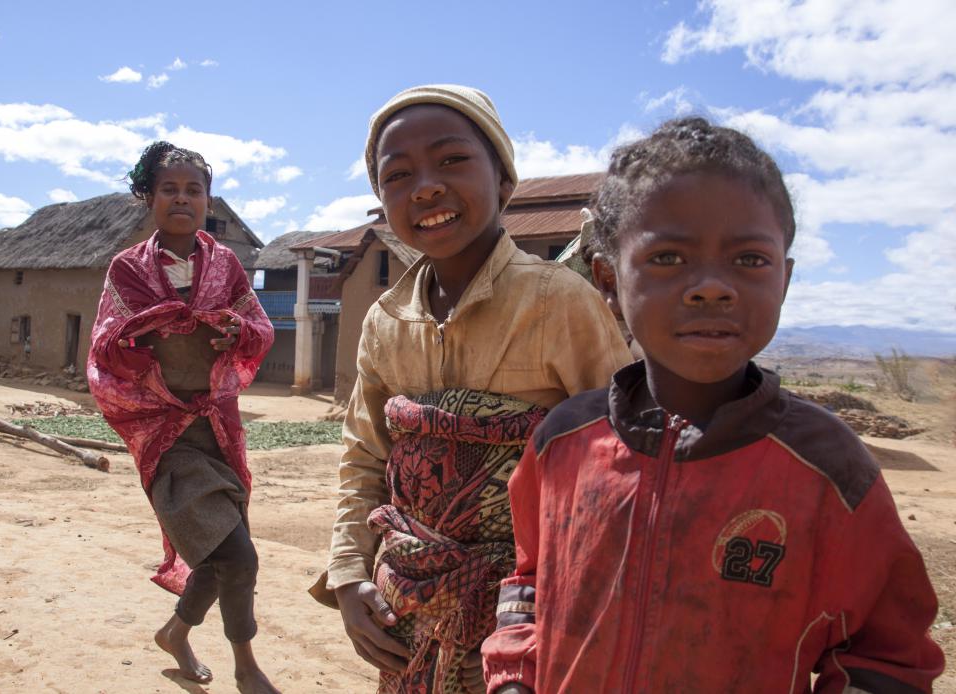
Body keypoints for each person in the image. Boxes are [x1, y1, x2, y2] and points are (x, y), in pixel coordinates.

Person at [481, 117, 945, 693]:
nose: (711, 287)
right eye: (668, 258)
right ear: (607, 280)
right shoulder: (562, 441)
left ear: (785, 280)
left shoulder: (829, 468)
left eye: (749, 260)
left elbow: (888, 658)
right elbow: (531, 582)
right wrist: (514, 681)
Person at [308, 85, 634, 693]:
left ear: (504, 181)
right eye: (398, 175)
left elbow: (619, 462)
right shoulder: (383, 321)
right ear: (381, 199)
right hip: (408, 606)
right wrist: (351, 574)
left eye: (452, 160)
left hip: (527, 612)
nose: (425, 186)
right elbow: (365, 457)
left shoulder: (558, 303)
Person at [87, 142, 277, 693]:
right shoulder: (128, 270)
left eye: (193, 189)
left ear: (207, 200)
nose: (182, 198)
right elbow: (105, 345)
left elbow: (258, 327)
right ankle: (246, 667)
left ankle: (175, 633)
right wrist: (144, 335)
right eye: (169, 188)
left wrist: (236, 332)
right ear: (148, 197)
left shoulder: (225, 265)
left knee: (222, 553)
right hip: (165, 434)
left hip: (219, 428)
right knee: (239, 557)